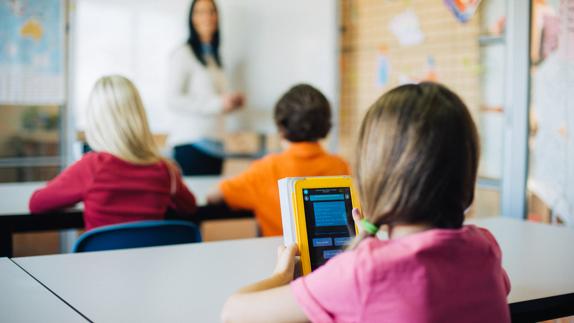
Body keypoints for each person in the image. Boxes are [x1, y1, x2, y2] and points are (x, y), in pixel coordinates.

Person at [220, 82, 511, 322]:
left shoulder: (363, 271)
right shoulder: (485, 249)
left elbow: (234, 313)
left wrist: (281, 274)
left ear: (374, 172)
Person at [29, 75, 197, 231]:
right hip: (151, 261)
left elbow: (37, 203)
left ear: (96, 119)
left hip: (99, 262)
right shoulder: (165, 170)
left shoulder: (92, 167)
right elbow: (189, 207)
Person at [207, 84, 349, 236]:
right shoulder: (341, 167)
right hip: (333, 257)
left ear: (281, 127)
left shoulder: (266, 169)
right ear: (326, 126)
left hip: (280, 256)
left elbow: (214, 196)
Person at [167, 0, 244, 176]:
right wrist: (217, 103)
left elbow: (215, 100)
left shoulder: (215, 57)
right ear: (192, 18)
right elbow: (173, 99)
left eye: (211, 12)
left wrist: (231, 103)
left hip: (216, 145)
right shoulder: (183, 54)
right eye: (200, 12)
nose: (207, 17)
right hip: (191, 145)